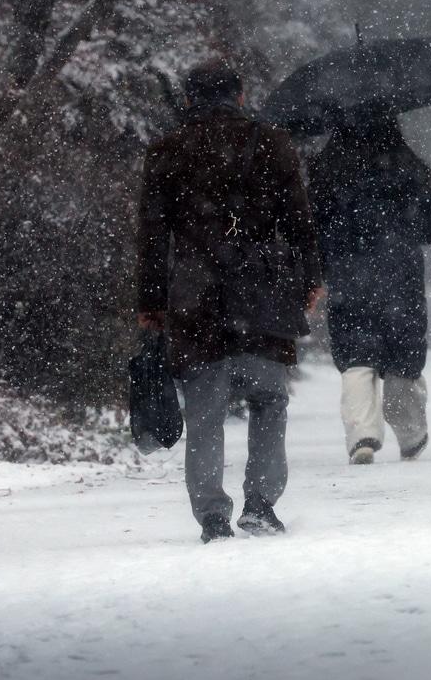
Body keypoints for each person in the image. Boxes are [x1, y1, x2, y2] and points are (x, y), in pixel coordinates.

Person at [136, 61, 324, 544]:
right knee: (269, 400)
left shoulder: (167, 151)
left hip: (196, 295)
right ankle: (261, 504)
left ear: (189, 99)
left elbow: (153, 237)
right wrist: (310, 277)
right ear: (240, 96)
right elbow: (299, 218)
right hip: (263, 286)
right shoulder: (271, 143)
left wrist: (152, 300)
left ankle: (213, 517)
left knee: (204, 410)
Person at [308, 116, 431, 465]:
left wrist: (324, 262)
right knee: (403, 357)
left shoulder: (327, 168)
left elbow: (315, 226)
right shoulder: (408, 165)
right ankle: (411, 431)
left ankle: (362, 433)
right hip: (400, 275)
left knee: (356, 357)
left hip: (348, 276)